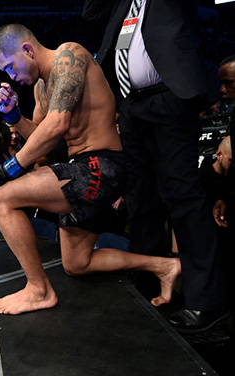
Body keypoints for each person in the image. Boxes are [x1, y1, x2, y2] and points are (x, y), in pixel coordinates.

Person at [0, 24, 181, 316]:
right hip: (82, 170)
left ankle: (38, 290)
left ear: (27, 49)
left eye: (11, 67)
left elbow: (57, 124)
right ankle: (164, 266)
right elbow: (42, 139)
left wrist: (9, 168)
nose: (11, 77)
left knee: (1, 196)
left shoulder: (69, 56)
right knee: (77, 263)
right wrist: (14, 116)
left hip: (103, 165)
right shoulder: (40, 89)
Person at [83, 0, 228, 332]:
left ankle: (207, 301)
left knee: (182, 197)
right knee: (141, 198)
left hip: (170, 97)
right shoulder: (123, 3)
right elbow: (91, 11)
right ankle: (148, 281)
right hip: (132, 106)